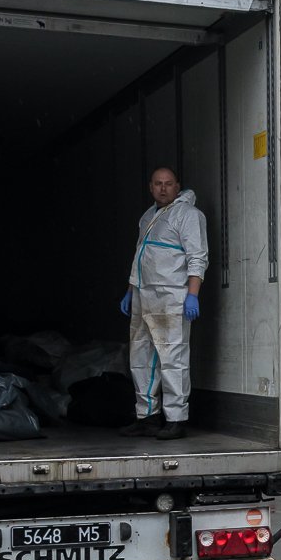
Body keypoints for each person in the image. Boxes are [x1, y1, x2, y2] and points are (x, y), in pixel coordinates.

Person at [119, 168, 208, 440]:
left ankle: (176, 418)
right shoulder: (149, 216)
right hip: (144, 296)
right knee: (141, 358)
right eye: (158, 184)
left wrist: (192, 293)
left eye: (168, 184)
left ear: (177, 186)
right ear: (150, 187)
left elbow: (198, 257)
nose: (163, 188)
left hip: (171, 296)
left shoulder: (189, 215)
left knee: (173, 359)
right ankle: (147, 416)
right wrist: (131, 290)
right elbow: (140, 255)